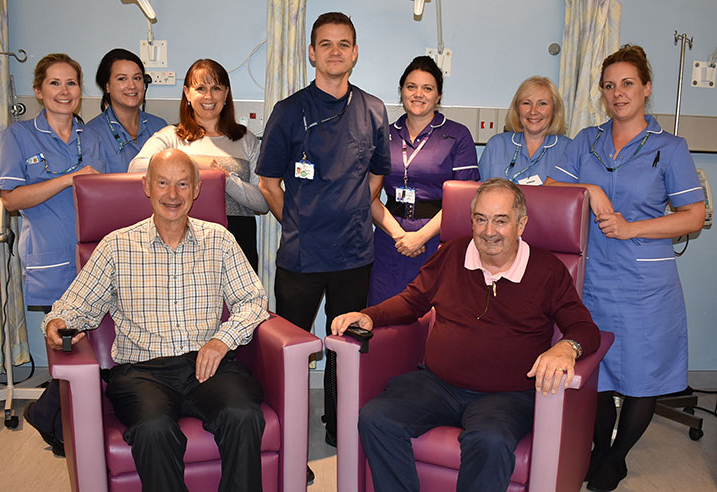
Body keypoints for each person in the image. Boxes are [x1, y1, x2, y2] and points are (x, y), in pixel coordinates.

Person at [332, 178, 601, 492]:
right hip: (438, 384)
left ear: (521, 224)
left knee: (490, 440)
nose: (489, 231)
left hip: (507, 396)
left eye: (501, 221)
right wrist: (368, 316)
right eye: (480, 219)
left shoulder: (547, 269)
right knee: (377, 418)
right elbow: (413, 300)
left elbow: (585, 329)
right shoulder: (453, 253)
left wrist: (567, 347)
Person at [42, 149, 269, 492]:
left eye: (182, 184)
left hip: (207, 365)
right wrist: (57, 322)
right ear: (147, 186)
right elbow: (75, 306)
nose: (173, 194)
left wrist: (222, 340)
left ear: (196, 190)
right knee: (153, 430)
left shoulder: (220, 240)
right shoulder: (117, 245)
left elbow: (253, 300)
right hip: (142, 372)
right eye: (163, 183)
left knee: (243, 416)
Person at [546, 45, 705, 492]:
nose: (618, 94)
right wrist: (591, 187)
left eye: (628, 84)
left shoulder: (669, 148)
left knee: (640, 376)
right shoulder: (586, 141)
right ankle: (598, 449)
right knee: (593, 370)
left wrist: (634, 227)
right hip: (592, 278)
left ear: (646, 88)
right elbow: (554, 184)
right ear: (602, 92)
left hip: (645, 284)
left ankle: (616, 458)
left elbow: (693, 214)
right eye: (610, 86)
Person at [256, 11, 391, 482]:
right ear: (311, 52)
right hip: (301, 254)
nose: (335, 52)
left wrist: (351, 210)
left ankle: (337, 427)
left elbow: (376, 174)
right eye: (326, 44)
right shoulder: (289, 111)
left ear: (355, 53)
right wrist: (298, 221)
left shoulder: (374, 109)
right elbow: (268, 181)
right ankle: (287, 435)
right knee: (290, 347)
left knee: (344, 345)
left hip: (355, 253)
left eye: (344, 44)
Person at [0, 53, 105, 457]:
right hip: (50, 258)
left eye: (71, 84)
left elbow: (111, 187)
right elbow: (11, 200)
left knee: (94, 350)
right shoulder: (20, 136)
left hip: (94, 259)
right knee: (67, 347)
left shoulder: (91, 136)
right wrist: (69, 179)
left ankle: (54, 419)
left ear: (81, 92)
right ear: (39, 90)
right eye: (55, 84)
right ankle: (57, 421)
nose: (64, 91)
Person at [129, 59, 268, 271]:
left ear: (226, 93)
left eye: (216, 88)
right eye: (200, 88)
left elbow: (262, 202)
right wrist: (195, 164)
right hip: (182, 239)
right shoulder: (171, 136)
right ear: (187, 93)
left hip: (238, 241)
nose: (209, 96)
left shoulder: (246, 139)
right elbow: (135, 168)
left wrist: (224, 177)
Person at [368, 55, 478, 305]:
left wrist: (419, 237)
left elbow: (467, 197)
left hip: (438, 239)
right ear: (401, 91)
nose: (418, 94)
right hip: (390, 238)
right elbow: (368, 193)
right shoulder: (384, 134)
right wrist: (400, 236)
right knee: (383, 313)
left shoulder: (457, 135)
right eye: (411, 87)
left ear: (438, 96)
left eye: (427, 88)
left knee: (432, 316)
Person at [85, 48, 167, 173]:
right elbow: (93, 186)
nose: (132, 86)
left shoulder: (160, 126)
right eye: (122, 79)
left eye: (137, 78)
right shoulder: (92, 133)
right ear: (107, 86)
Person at [478, 76, 569, 185]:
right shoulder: (497, 145)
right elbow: (480, 193)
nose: (533, 111)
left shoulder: (569, 149)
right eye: (526, 103)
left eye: (542, 104)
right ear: (517, 108)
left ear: (554, 109)